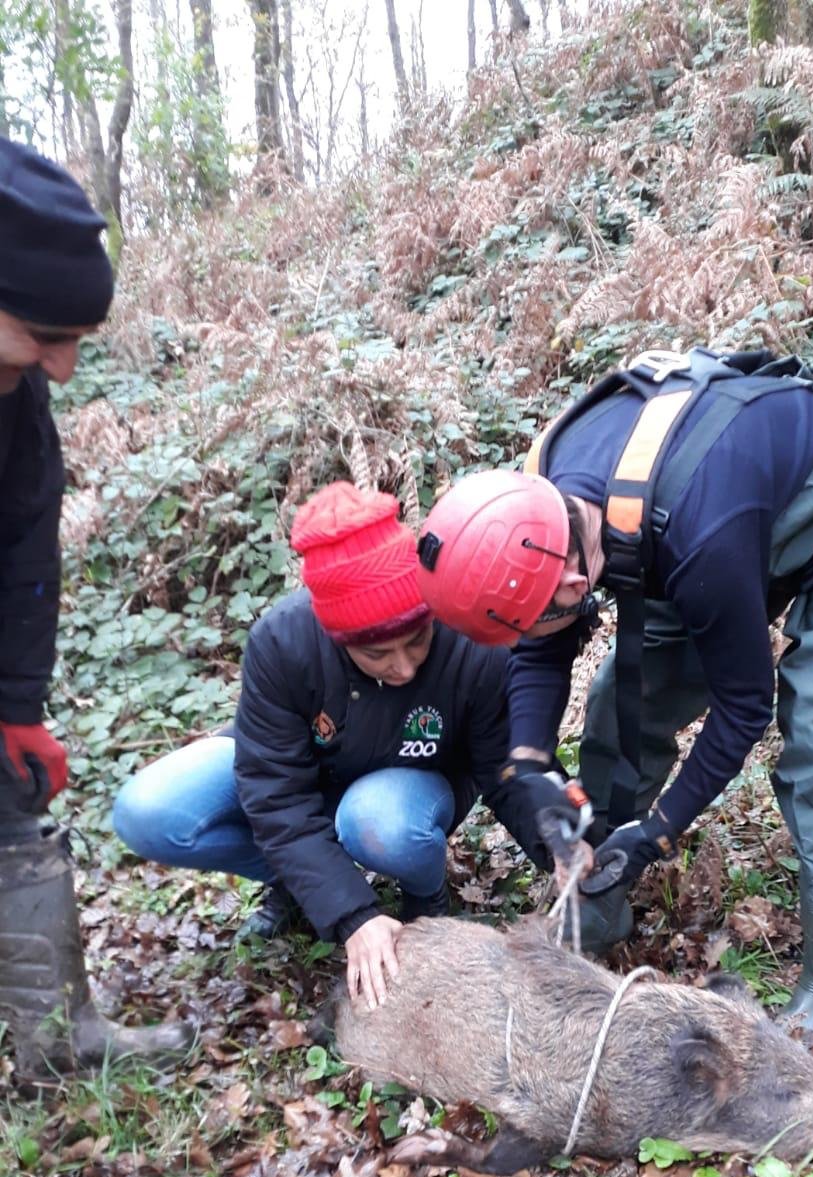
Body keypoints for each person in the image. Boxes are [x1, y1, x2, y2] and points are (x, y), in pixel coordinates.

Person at [413, 347, 813, 1035]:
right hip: (715, 520)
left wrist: (659, 833)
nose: (532, 633)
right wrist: (531, 761)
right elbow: (542, 646)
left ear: (573, 585)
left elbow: (744, 705)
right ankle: (598, 894)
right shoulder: (535, 509)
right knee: (621, 704)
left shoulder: (699, 540)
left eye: (538, 616)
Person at [113, 482, 548, 1009]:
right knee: (148, 811)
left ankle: (424, 894)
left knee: (377, 818)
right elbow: (276, 796)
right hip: (312, 783)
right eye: (378, 653)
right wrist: (352, 915)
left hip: (408, 792)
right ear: (337, 638)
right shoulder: (282, 644)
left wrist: (560, 848)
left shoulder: (466, 636)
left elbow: (504, 767)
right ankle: (305, 883)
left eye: (417, 640)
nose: (405, 666)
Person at [0, 136, 191, 1072]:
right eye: (43, 337)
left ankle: (57, 1045)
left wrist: (15, 708)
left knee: (11, 816)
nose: (64, 370)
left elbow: (25, 553)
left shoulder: (15, 398)